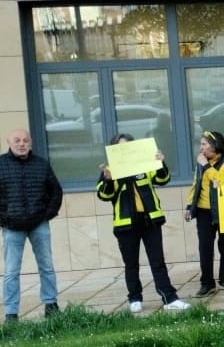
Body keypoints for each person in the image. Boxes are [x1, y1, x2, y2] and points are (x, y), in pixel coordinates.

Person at [96, 134, 190, 314]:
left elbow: (163, 179)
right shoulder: (110, 170)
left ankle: (169, 298)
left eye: (128, 146)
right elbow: (103, 195)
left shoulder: (145, 164)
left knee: (158, 261)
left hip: (150, 220)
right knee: (131, 264)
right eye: (120, 147)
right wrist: (108, 179)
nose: (125, 150)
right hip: (125, 224)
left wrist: (161, 163)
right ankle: (135, 298)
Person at [0, 129, 63, 322]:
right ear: (9, 142)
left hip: (38, 225)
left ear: (30, 143)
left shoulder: (41, 164)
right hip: (11, 227)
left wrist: (47, 214)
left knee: (47, 267)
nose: (21, 144)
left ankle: (51, 305)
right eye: (17, 140)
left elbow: (56, 191)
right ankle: (11, 313)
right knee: (11, 272)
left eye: (25, 140)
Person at [185, 131, 224, 297]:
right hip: (204, 211)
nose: (201, 148)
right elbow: (196, 183)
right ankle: (207, 283)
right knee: (205, 248)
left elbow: (220, 182)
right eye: (200, 144)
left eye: (204, 144)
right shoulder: (202, 162)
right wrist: (189, 205)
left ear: (215, 145)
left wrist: (206, 166)